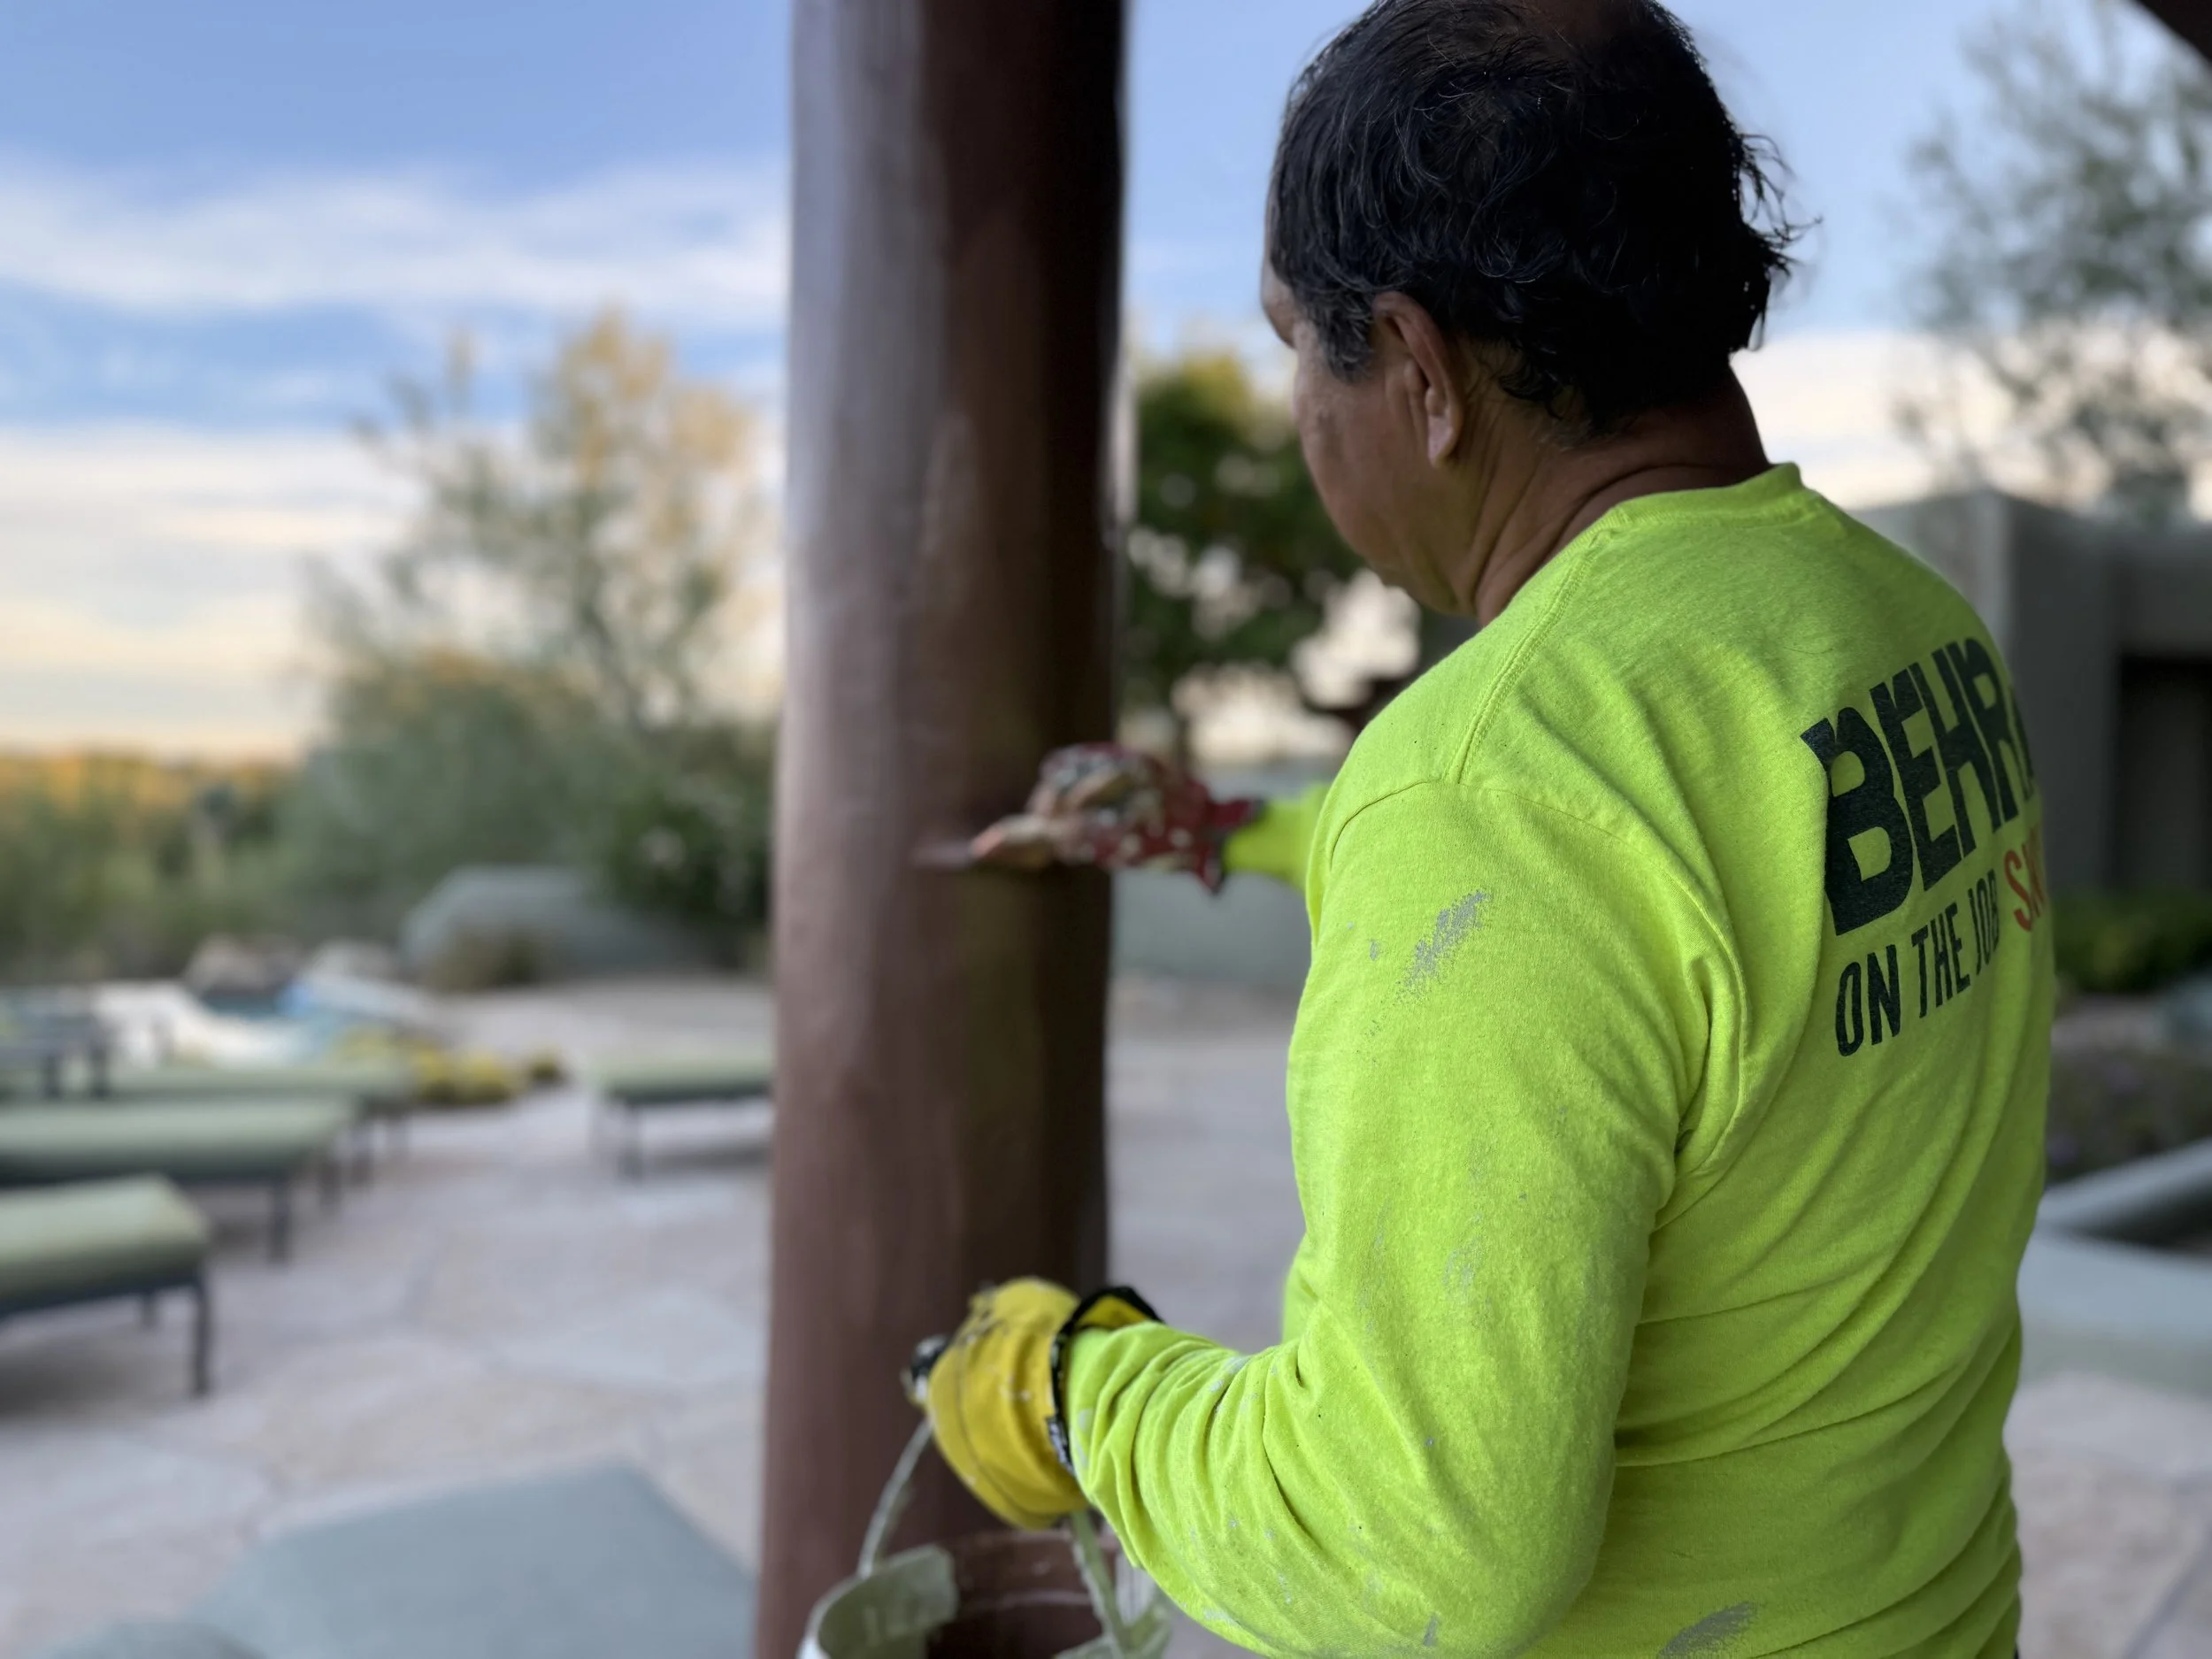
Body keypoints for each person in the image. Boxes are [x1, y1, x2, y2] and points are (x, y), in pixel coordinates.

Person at [916, 2, 2051, 1655]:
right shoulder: (1905, 624)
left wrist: (1076, 1390)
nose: (1301, 406)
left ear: (1420, 369)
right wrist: (1232, 826)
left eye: (1295, 343)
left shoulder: (1488, 788)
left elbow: (1410, 1548)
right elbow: (1666, 878)